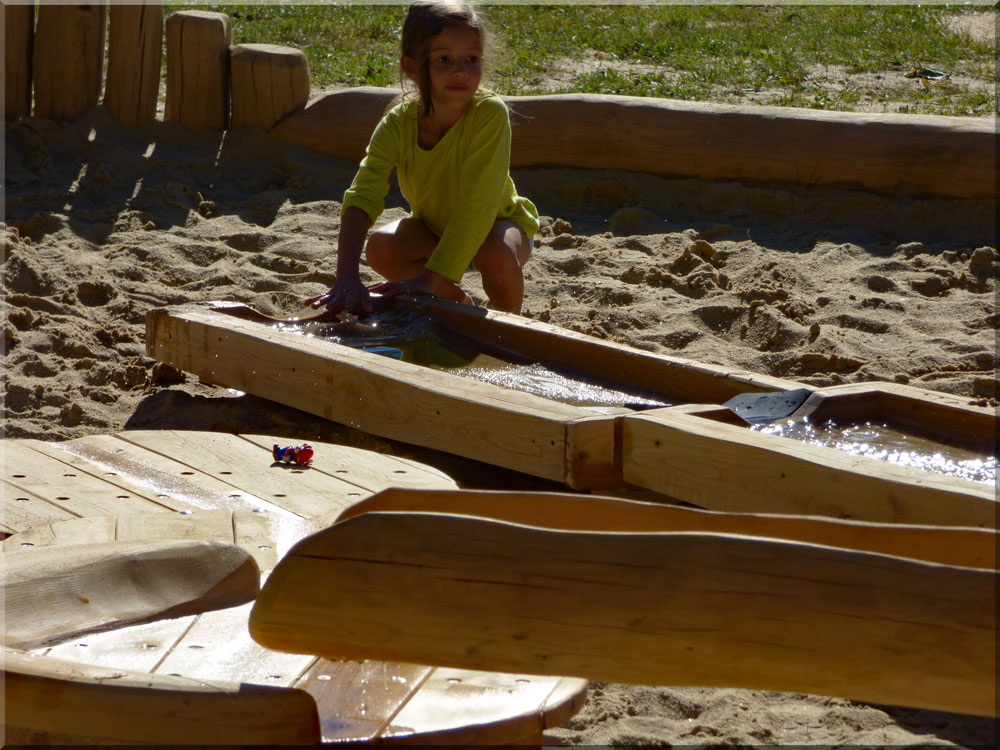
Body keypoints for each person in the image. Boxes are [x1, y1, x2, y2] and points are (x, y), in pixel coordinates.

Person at [305, 0, 538, 316]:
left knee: (493, 250)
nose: (460, 69)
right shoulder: (397, 125)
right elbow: (362, 197)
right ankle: (455, 303)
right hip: (435, 231)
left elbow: (478, 207)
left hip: (497, 229)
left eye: (472, 58)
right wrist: (345, 277)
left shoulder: (489, 114)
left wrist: (429, 278)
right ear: (412, 68)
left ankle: (510, 327)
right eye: (444, 59)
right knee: (381, 248)